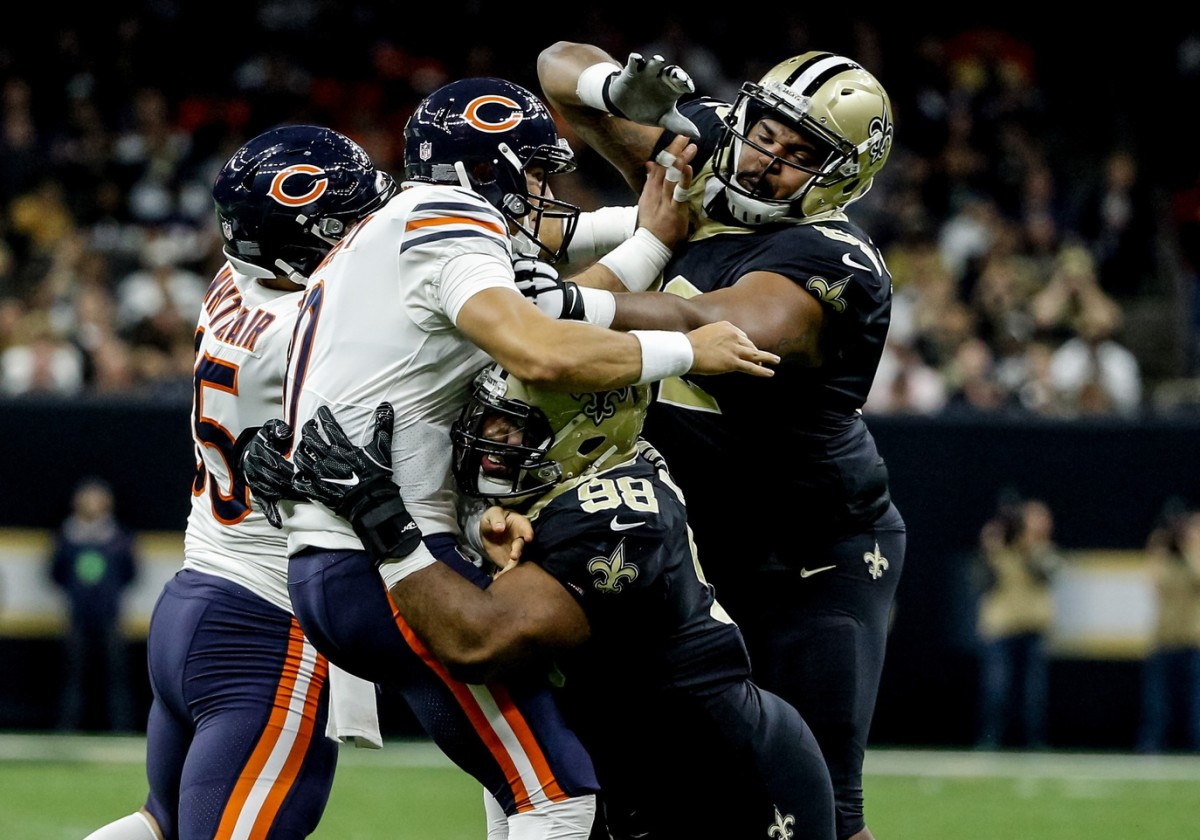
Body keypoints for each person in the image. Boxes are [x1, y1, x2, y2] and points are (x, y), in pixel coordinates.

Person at [239, 77, 778, 839]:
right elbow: (539, 349)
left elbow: (550, 313)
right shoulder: (449, 216)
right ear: (480, 170)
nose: (542, 190)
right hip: (386, 557)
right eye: (530, 170)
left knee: (519, 781)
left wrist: (653, 242)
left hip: (341, 555)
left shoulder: (391, 234)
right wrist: (688, 348)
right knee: (557, 796)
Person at [535, 44, 905, 840]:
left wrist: (547, 307)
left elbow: (708, 323)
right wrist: (611, 88)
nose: (768, 158)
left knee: (817, 810)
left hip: (808, 553)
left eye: (801, 154)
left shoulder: (834, 262)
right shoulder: (707, 144)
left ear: (837, 177)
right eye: (768, 132)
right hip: (694, 544)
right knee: (654, 794)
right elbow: (556, 68)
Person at [274, 364, 837, 839]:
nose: (491, 435)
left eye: (516, 424)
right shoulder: (556, 492)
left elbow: (478, 641)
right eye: (488, 416)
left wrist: (383, 522)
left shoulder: (621, 509)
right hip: (636, 773)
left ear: (587, 430)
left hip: (730, 781)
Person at [83, 125, 388, 840]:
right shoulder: (315, 330)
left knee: (159, 824)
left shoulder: (231, 280)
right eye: (352, 224)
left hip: (195, 598)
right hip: (267, 625)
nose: (369, 236)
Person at [974, 495, 1064, 749]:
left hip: (1033, 627)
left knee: (1032, 693)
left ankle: (1034, 742)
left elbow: (1049, 574)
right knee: (997, 688)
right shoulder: (998, 547)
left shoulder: (1043, 550)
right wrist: (990, 547)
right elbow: (982, 580)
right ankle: (990, 739)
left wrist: (1028, 547)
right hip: (1001, 626)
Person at [49, 476, 137, 733]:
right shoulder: (67, 535)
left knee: (116, 674)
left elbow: (130, 572)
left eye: (98, 498)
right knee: (73, 674)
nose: (93, 503)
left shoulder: (119, 537)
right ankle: (67, 727)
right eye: (87, 498)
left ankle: (122, 728)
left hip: (110, 616)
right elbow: (56, 572)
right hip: (77, 616)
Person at [1137, 502, 1200, 753]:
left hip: (1194, 638)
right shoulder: (1163, 552)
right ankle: (1153, 745)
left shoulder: (1194, 552)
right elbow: (1154, 582)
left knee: (1197, 701)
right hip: (1164, 637)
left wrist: (1190, 548)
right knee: (1158, 700)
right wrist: (1160, 548)